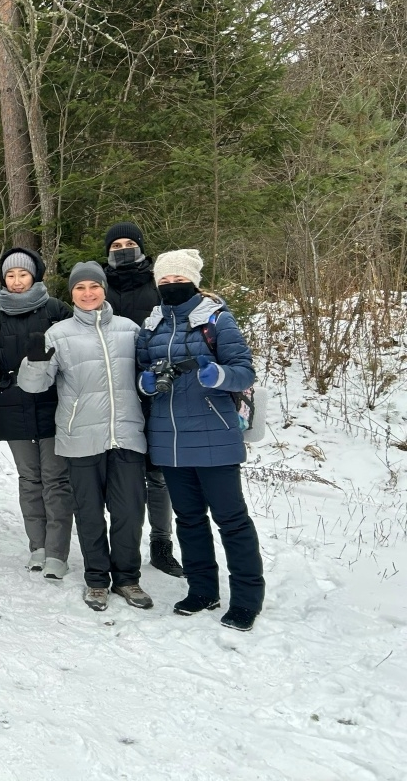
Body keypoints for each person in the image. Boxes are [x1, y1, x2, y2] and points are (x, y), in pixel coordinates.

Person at [136, 249, 264, 631]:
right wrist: (146, 383)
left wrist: (219, 376)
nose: (171, 285)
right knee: (189, 520)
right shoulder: (151, 325)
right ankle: (202, 590)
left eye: (178, 279)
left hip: (214, 436)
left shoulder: (216, 319)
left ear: (193, 281)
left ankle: (246, 599)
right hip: (169, 440)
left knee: (231, 520)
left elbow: (245, 371)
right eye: (164, 280)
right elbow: (141, 370)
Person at [17, 262, 151, 612]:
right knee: (89, 513)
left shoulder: (129, 330)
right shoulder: (58, 334)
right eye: (80, 288)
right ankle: (96, 580)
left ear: (104, 289)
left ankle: (127, 578)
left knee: (129, 513)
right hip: (79, 438)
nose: (88, 293)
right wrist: (33, 363)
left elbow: (146, 379)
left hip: (126, 435)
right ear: (71, 293)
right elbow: (34, 386)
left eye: (94, 286)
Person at [0, 248, 74, 578]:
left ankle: (57, 552)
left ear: (35, 275)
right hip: (12, 405)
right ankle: (38, 546)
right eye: (10, 275)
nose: (17, 280)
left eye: (23, 274)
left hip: (53, 404)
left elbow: (72, 356)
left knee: (55, 479)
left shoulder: (56, 310)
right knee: (29, 479)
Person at [103, 221, 182, 578]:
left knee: (157, 473)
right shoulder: (98, 286)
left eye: (128, 243)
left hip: (155, 389)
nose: (122, 249)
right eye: (116, 245)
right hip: (110, 390)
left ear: (141, 247)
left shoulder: (158, 284)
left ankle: (161, 543)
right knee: (121, 474)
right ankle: (123, 543)